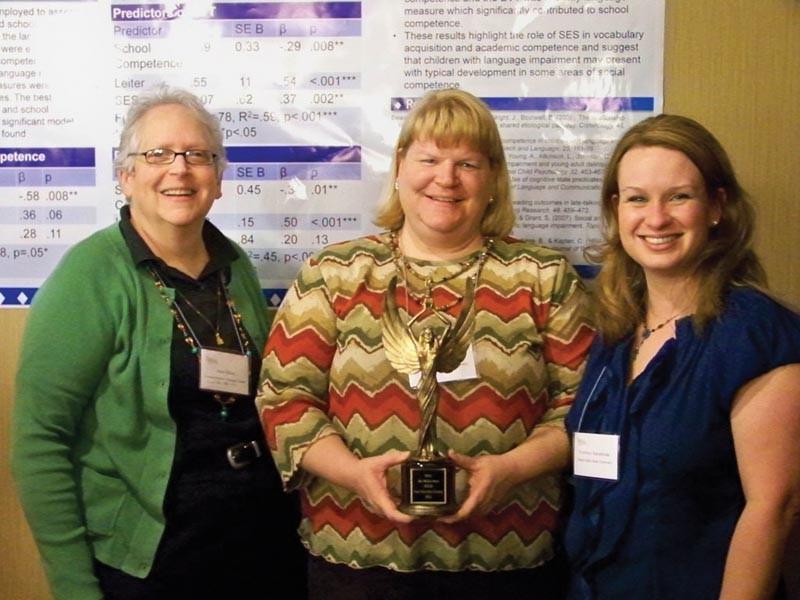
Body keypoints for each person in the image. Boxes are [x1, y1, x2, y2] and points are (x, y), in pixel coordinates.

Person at [256, 88, 595, 599]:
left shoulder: (542, 276)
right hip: (358, 556)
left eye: (468, 163)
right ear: (399, 167)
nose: (446, 178)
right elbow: (284, 398)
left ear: (493, 179)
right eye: (430, 158)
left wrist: (510, 469)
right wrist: (353, 474)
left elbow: (586, 405)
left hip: (506, 558)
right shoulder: (336, 273)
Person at [12, 85, 306, 600]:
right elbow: (40, 441)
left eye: (198, 155)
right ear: (126, 176)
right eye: (158, 154)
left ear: (218, 179)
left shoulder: (234, 265)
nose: (179, 169)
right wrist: (73, 586)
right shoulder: (91, 274)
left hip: (258, 546)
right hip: (154, 565)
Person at [563, 114, 800, 598]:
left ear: (716, 206)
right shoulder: (616, 330)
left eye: (679, 196)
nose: (656, 219)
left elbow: (775, 506)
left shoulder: (754, 335)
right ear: (616, 209)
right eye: (637, 199)